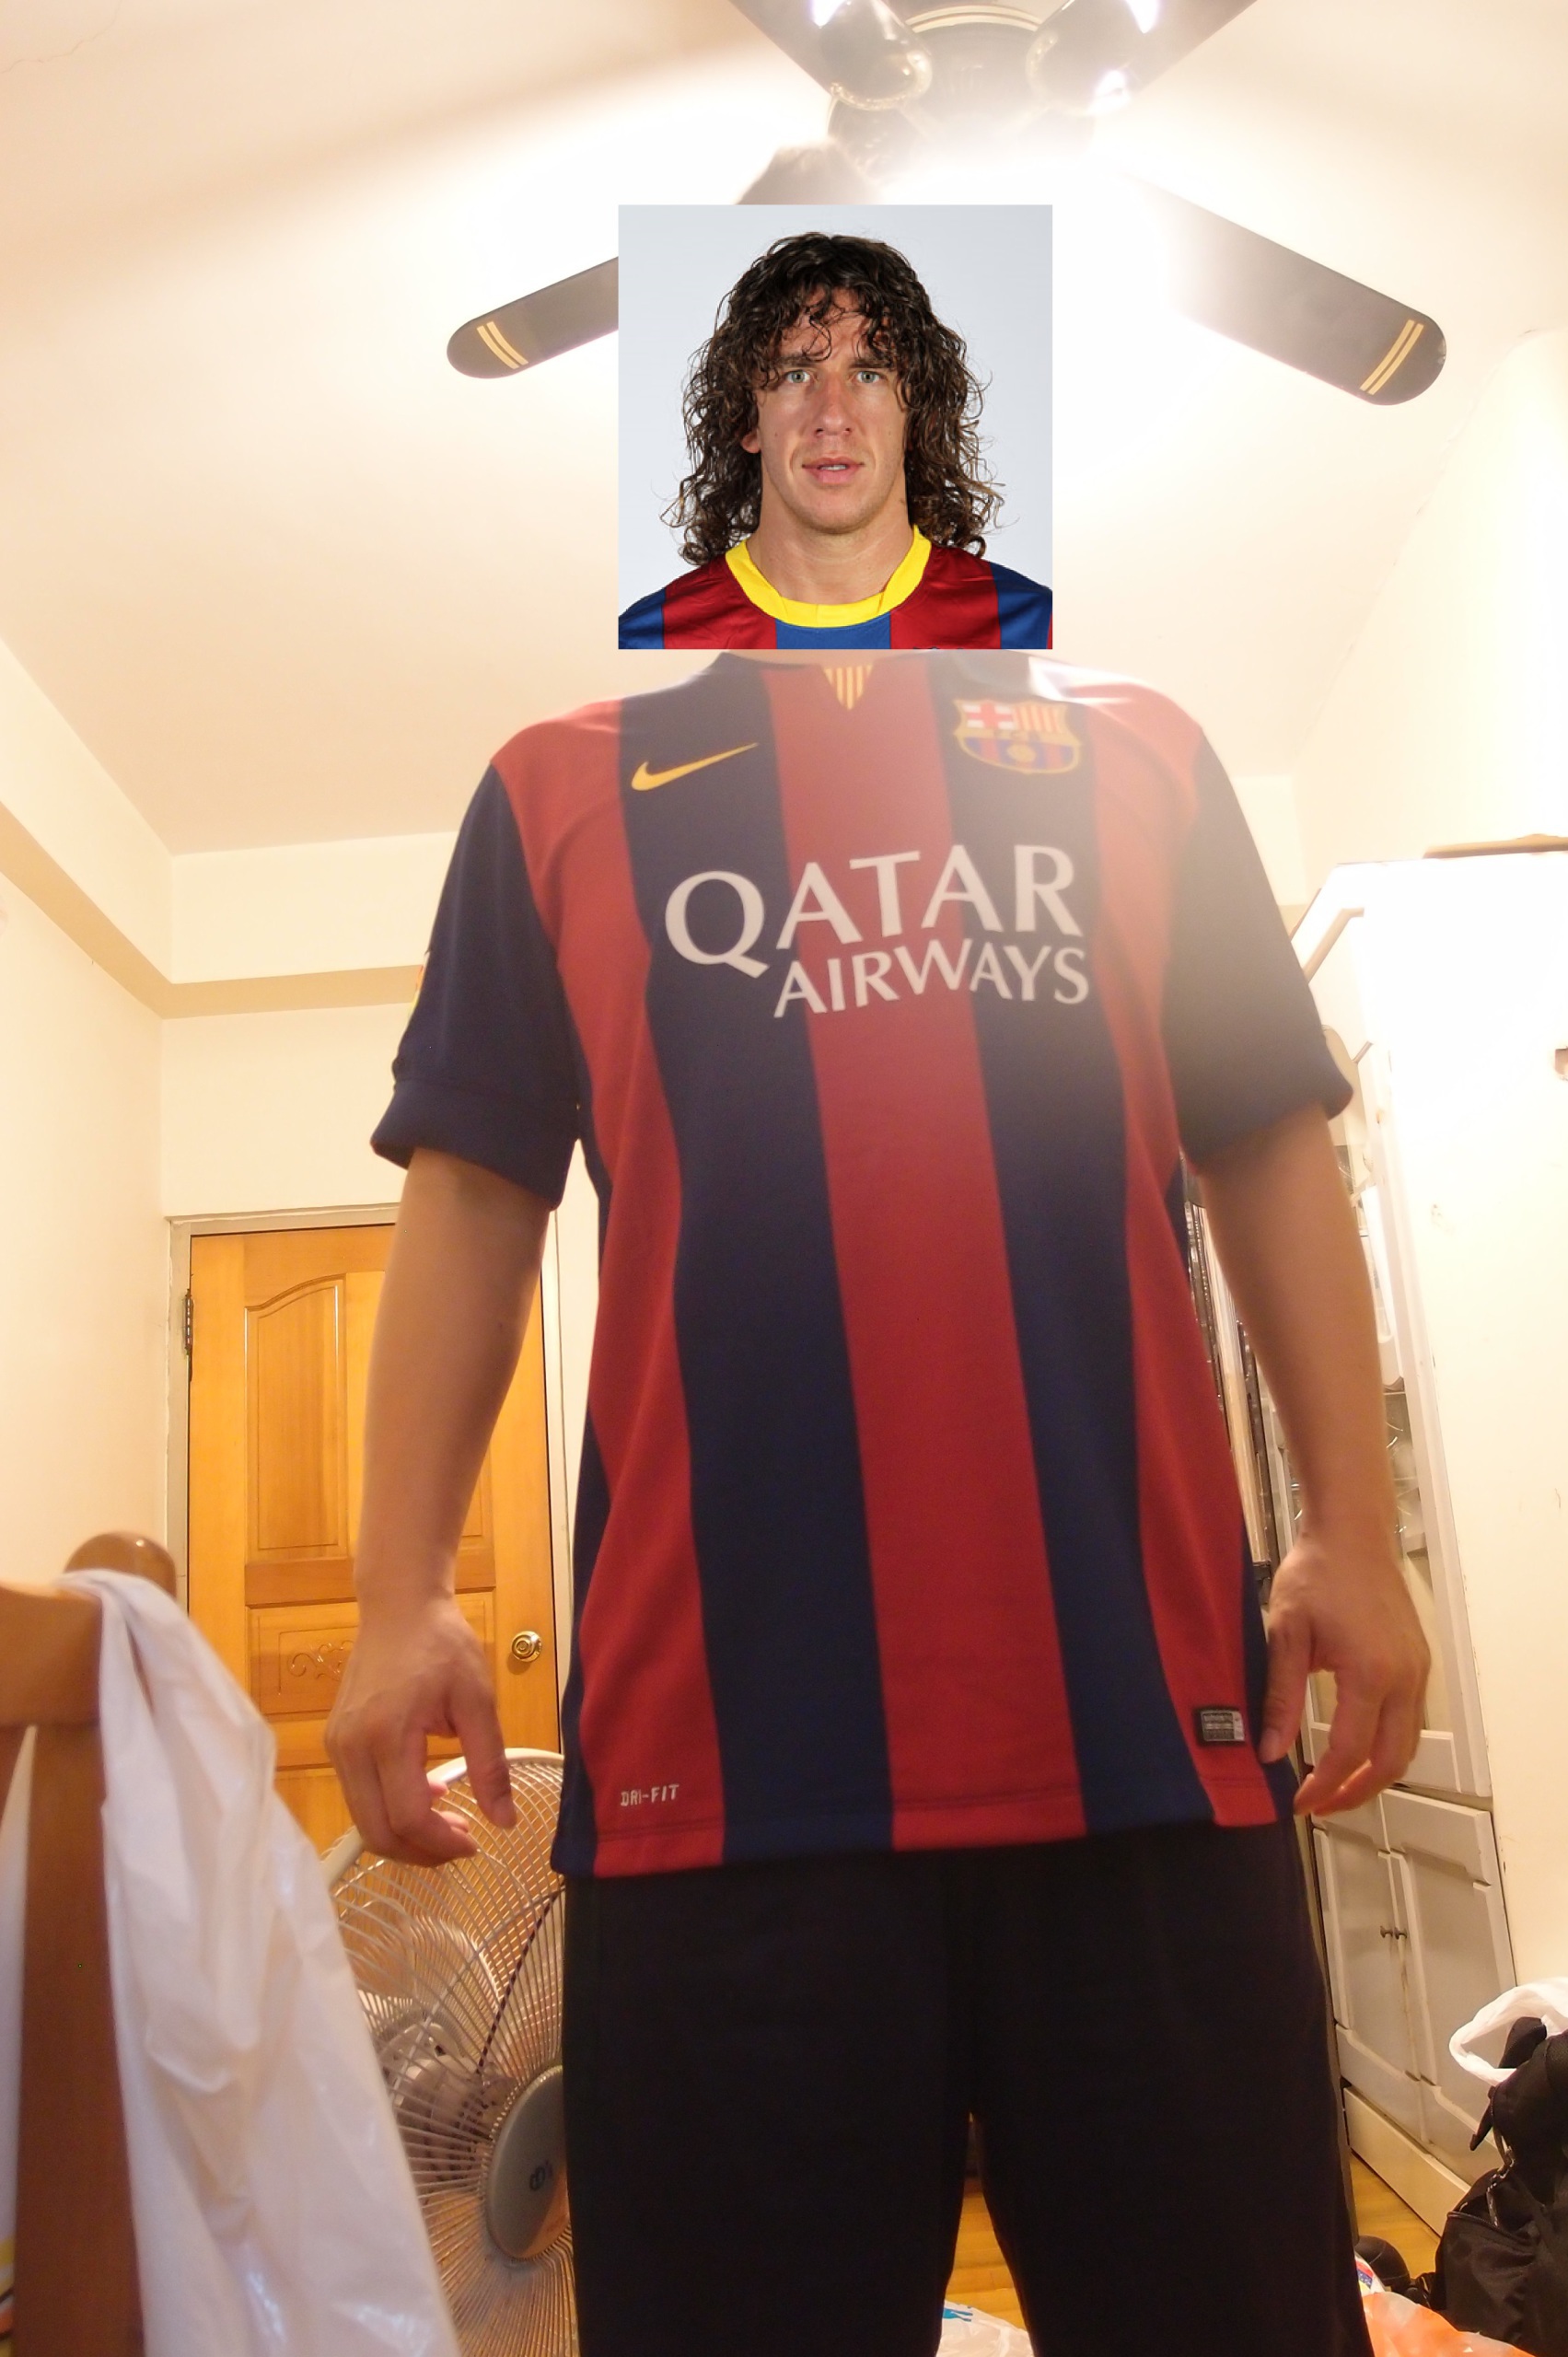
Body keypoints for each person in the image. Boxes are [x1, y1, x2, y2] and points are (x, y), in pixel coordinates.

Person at [327, 646, 1429, 2357]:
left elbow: (1266, 1132)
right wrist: (398, 1593)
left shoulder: (1143, 755)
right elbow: (474, 1182)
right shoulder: (554, 787)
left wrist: (1353, 1528)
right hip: (715, 1788)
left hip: (1153, 1747)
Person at [618, 233, 1052, 650]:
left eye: (868, 375)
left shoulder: (1036, 632)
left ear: (918, 416)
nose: (832, 417)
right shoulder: (646, 645)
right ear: (746, 419)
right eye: (797, 375)